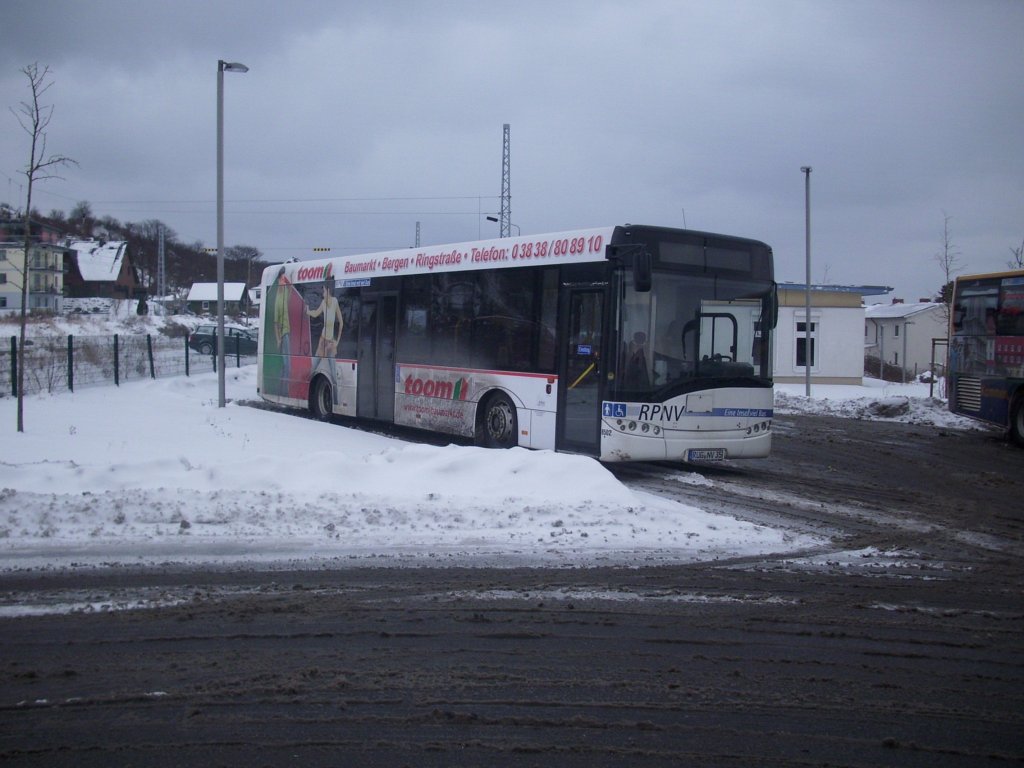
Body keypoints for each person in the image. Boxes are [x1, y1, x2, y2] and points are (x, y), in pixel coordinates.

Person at [307, 277, 343, 404]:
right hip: (322, 341)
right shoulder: (323, 303)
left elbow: (341, 322)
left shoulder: (334, 301)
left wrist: (337, 341)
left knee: (333, 375)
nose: (322, 293)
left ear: (328, 290)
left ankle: (336, 402)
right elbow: (316, 314)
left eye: (323, 290)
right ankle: (304, 393)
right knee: (313, 369)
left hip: (330, 343)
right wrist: (308, 311)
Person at [272, 267, 291, 395]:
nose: (284, 280)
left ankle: (281, 390)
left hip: (287, 332)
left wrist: (287, 277)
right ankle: (283, 390)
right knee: (287, 365)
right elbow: (276, 323)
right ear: (279, 280)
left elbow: (290, 287)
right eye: (282, 278)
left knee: (286, 365)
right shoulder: (277, 300)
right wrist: (278, 339)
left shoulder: (284, 293)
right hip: (284, 334)